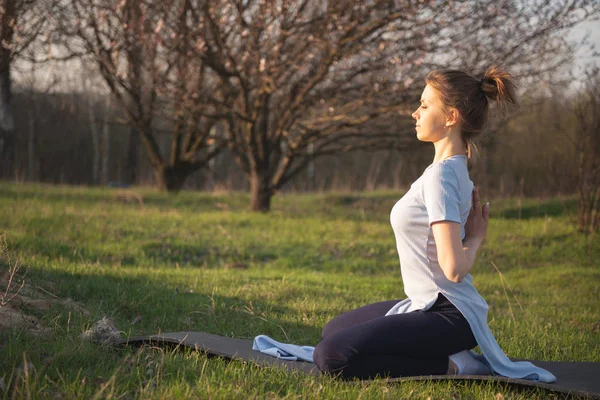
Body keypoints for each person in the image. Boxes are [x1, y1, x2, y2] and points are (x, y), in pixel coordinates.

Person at [312, 67, 556, 382]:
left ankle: (453, 365)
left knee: (331, 356)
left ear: (451, 117)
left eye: (425, 105)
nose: (415, 112)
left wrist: (476, 240)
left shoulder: (441, 177)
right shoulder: (446, 171)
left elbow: (453, 269)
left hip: (448, 315)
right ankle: (442, 352)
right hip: (426, 304)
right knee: (334, 331)